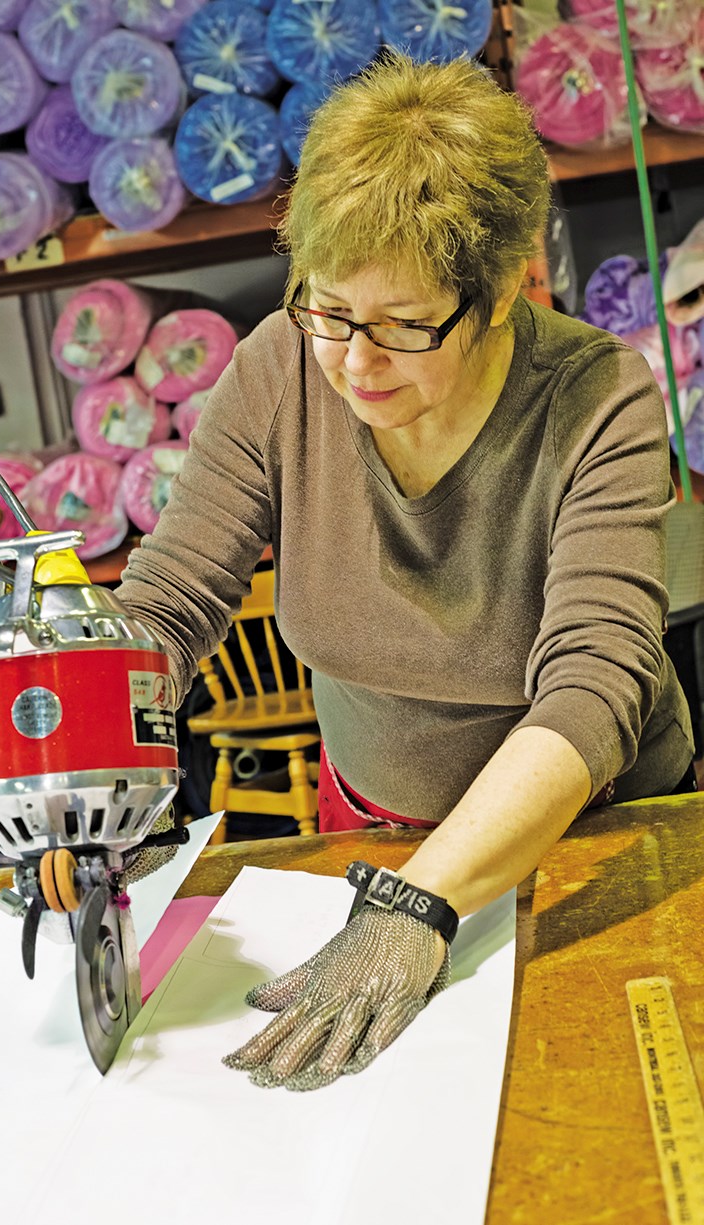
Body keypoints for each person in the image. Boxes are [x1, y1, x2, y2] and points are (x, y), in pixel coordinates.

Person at [115, 51, 695, 1091]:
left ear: (504, 287)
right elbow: (171, 597)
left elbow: (594, 682)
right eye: (330, 310)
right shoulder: (279, 368)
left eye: (403, 326)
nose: (354, 363)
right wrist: (85, 754)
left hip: (586, 832)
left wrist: (422, 904)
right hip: (375, 833)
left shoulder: (597, 400)